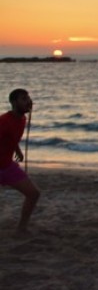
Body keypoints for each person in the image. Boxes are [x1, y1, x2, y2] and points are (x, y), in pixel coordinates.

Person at [0, 89, 41, 235]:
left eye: (28, 98)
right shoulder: (3, 121)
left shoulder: (23, 120)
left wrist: (17, 150)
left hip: (6, 166)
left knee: (34, 193)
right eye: (24, 99)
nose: (28, 101)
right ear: (14, 102)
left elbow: (10, 137)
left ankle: (21, 228)